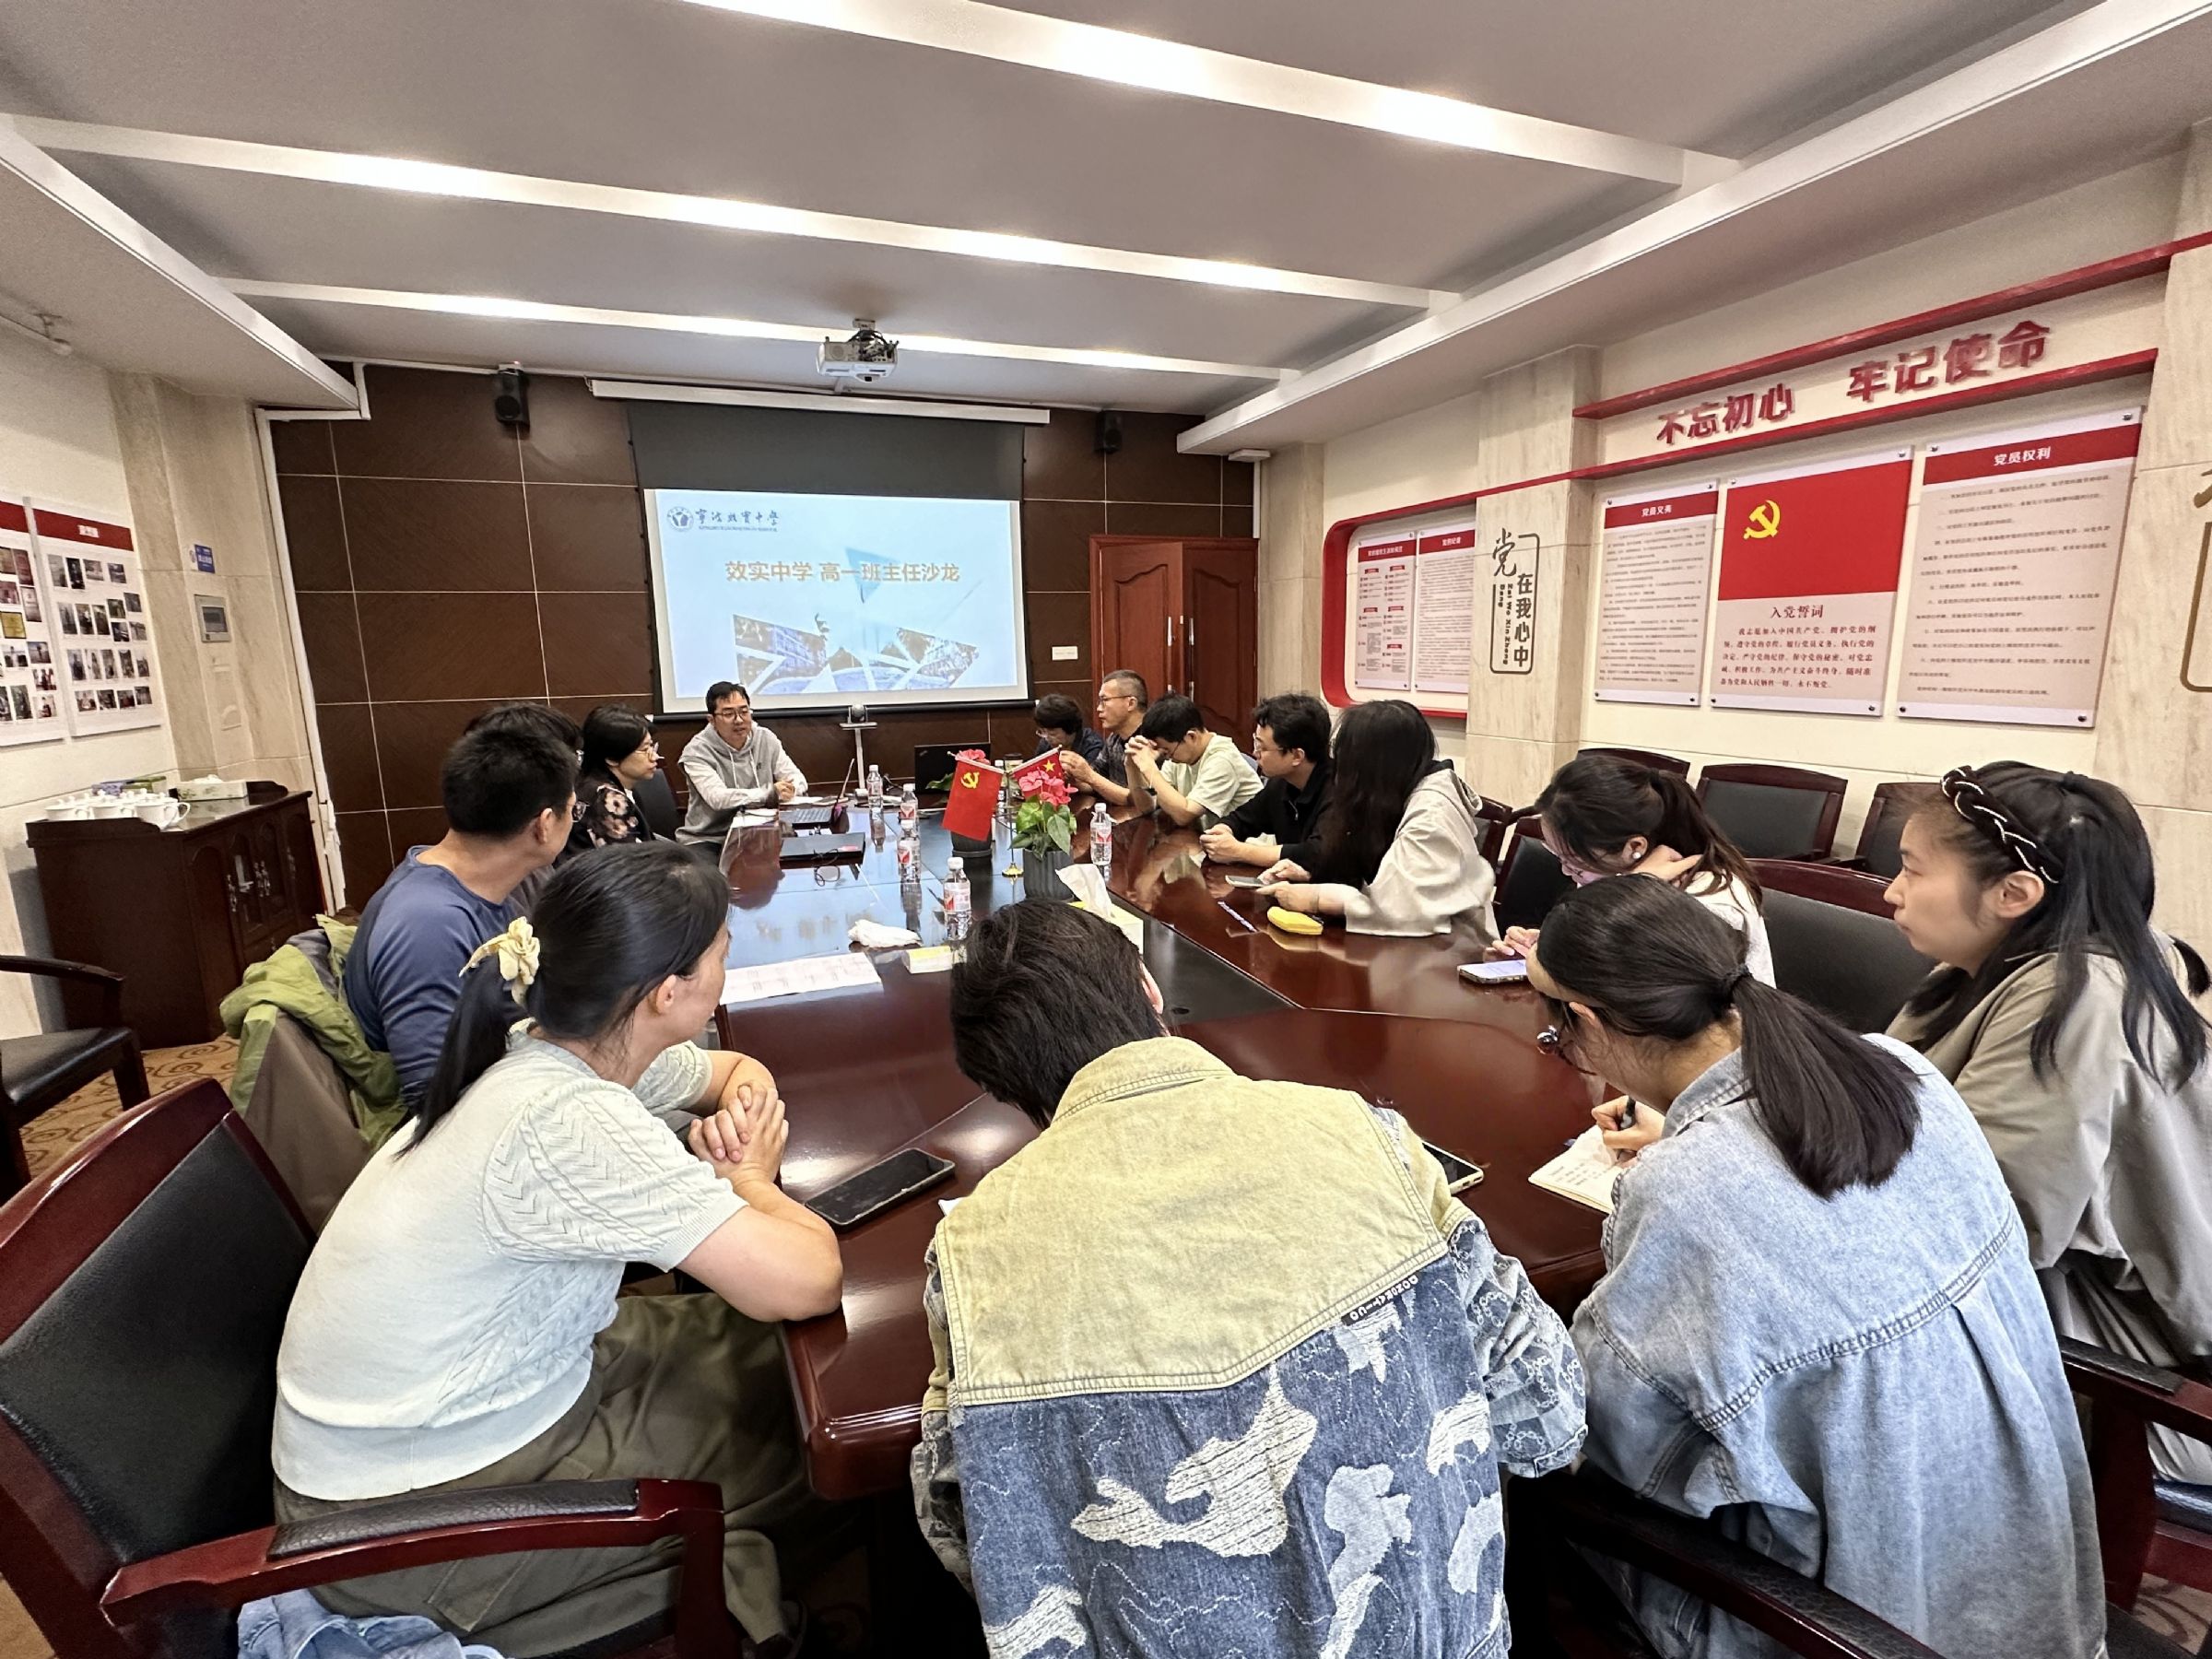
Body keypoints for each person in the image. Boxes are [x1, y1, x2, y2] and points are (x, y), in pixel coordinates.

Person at [913, 899, 1585, 1654]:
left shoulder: (973, 1248)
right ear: (1149, 987)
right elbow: (1547, 1414)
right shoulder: (1364, 1135)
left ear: (1007, 1090)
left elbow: (971, 1536)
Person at [276, 842, 843, 1654]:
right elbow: (810, 1279)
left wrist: (738, 1123)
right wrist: (750, 1178)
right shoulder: (567, 1121)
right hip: (408, 1521)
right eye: (724, 952)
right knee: (815, 1431)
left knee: (777, 1360)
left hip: (464, 1419)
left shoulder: (553, 1044)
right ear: (668, 992)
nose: (728, 969)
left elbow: (733, 1072)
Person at [1532, 876, 2101, 1659]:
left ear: (1589, 1021)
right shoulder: (1898, 1070)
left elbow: (1606, 1440)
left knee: (1523, 1491)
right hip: (2030, 1582)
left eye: (1555, 1030)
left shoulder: (1683, 1189)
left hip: (1849, 1622)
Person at [1886, 762, 2212, 1482]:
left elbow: (1985, 1226)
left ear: (2015, 894)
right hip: (2046, 1314)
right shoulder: (1993, 966)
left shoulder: (2078, 998)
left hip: (2130, 1376)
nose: (1891, 891)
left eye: (1912, 870)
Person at [346, 717, 577, 1106]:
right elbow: (432, 1093)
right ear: (545, 824)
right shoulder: (428, 924)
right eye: (573, 810)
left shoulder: (482, 891)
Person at [1488, 753, 1773, 982]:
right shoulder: (1616, 874)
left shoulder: (1711, 903)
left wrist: (1634, 892)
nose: (1566, 871)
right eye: (1559, 858)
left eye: (1574, 862)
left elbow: (1637, 992)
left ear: (1634, 847)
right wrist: (1546, 946)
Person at [1259, 699, 1496, 940]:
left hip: (1454, 948)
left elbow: (1400, 910)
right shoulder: (1393, 793)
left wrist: (1316, 898)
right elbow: (1373, 871)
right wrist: (1315, 874)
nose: (1339, 773)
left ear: (1372, 764)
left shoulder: (1432, 815)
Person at [1199, 691, 1335, 870]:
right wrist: (1223, 831)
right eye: (1256, 744)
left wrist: (1239, 852)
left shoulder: (1339, 788)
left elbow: (1316, 853)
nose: (1255, 753)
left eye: (1262, 747)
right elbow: (1242, 818)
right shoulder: (1281, 784)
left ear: (1296, 756)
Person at [677, 682, 806, 844]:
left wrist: (791, 788)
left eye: (744, 712)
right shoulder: (696, 751)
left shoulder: (765, 738)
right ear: (711, 720)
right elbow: (718, 798)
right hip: (711, 837)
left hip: (761, 830)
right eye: (728, 714)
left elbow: (797, 778)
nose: (738, 720)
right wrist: (770, 794)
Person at [1123, 692, 1263, 827]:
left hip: (1248, 841)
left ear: (1191, 737)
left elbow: (1184, 815)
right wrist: (1132, 767)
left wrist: (1149, 767)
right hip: (1210, 838)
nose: (1168, 758)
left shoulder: (1223, 759)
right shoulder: (1179, 756)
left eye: (1167, 752)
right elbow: (1147, 807)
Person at [564, 702, 664, 859]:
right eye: (645, 750)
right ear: (612, 758)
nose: (655, 756)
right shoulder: (605, 799)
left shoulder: (599, 785)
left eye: (652, 746)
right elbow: (630, 863)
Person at [1057, 669, 1147, 805]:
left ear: (1130, 703)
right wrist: (1076, 779)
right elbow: (1097, 783)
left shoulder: (1153, 740)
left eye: (1104, 700)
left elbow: (1139, 800)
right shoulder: (1114, 739)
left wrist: (1089, 776)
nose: (1099, 708)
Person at [1030, 691, 1110, 771]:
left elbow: (1090, 775)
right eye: (1043, 732)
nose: (1047, 738)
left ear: (1069, 727)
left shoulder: (1092, 745)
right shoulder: (1045, 743)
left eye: (1052, 733)